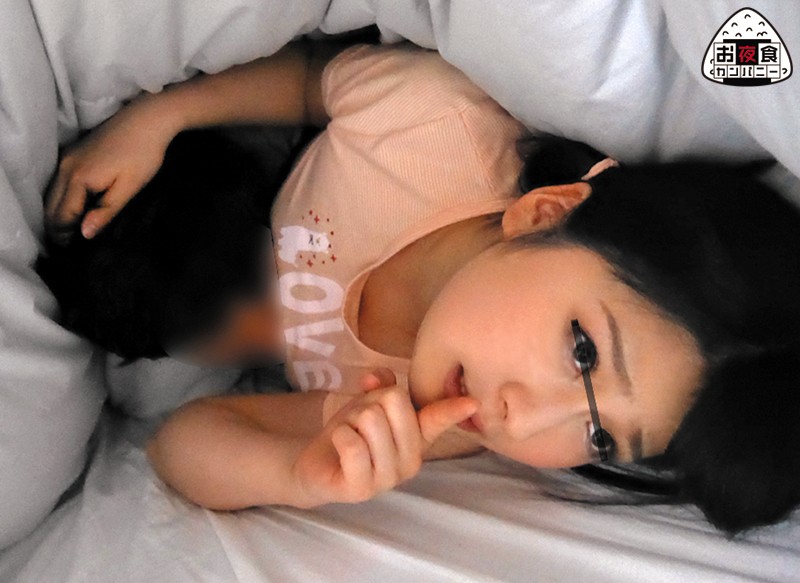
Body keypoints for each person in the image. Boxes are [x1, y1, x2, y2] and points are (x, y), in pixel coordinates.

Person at [40, 42, 800, 534]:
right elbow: (311, 81)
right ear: (547, 212)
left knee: (140, 377)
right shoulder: (434, 126)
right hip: (235, 203)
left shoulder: (430, 419)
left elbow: (180, 442)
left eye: (600, 437)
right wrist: (163, 118)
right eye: (581, 351)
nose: (523, 418)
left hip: (222, 311)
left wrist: (301, 474)